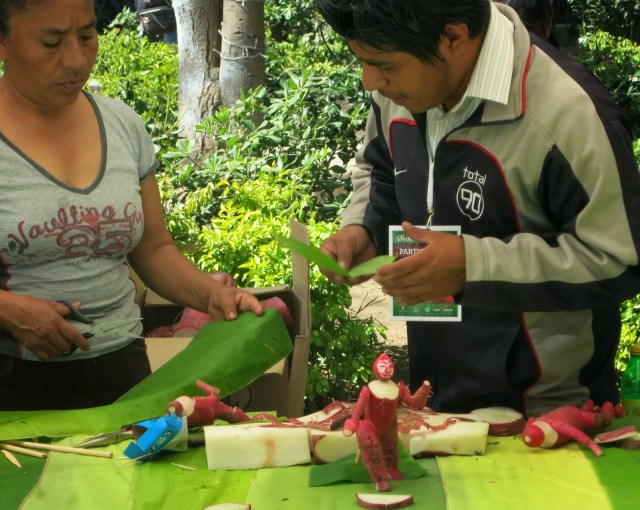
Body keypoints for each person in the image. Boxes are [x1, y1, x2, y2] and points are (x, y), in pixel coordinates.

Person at [315, 0, 640, 417]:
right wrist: (365, 229)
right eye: (362, 61)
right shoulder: (398, 90)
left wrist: (474, 265)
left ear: (452, 37)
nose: (370, 82)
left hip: (548, 412)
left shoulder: (567, 113)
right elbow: (381, 169)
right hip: (434, 398)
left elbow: (618, 258)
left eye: (384, 65)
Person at [0, 0, 263, 411]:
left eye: (87, 35)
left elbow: (154, 250)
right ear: (3, 40)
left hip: (124, 369)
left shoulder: (122, 125)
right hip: (15, 381)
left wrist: (211, 296)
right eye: (51, 42)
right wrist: (8, 309)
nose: (76, 59)